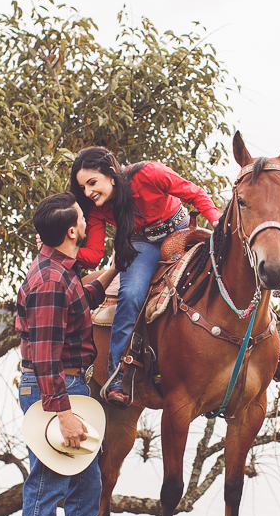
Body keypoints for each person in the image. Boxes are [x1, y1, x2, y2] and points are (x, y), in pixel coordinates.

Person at [16, 192, 131, 516]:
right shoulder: (49, 280)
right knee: (47, 483)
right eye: (83, 218)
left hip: (68, 386)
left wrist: (116, 267)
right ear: (71, 231)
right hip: (54, 389)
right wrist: (61, 412)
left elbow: (83, 301)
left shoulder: (60, 270)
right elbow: (45, 355)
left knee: (86, 483)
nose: (88, 222)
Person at [68, 147, 221, 407]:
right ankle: (118, 373)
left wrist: (215, 219)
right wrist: (59, 253)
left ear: (111, 174)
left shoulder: (150, 174)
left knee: (230, 266)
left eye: (92, 183)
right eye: (83, 187)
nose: (88, 192)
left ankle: (267, 352)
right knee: (131, 294)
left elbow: (194, 194)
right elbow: (94, 255)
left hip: (181, 229)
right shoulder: (96, 208)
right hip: (142, 244)